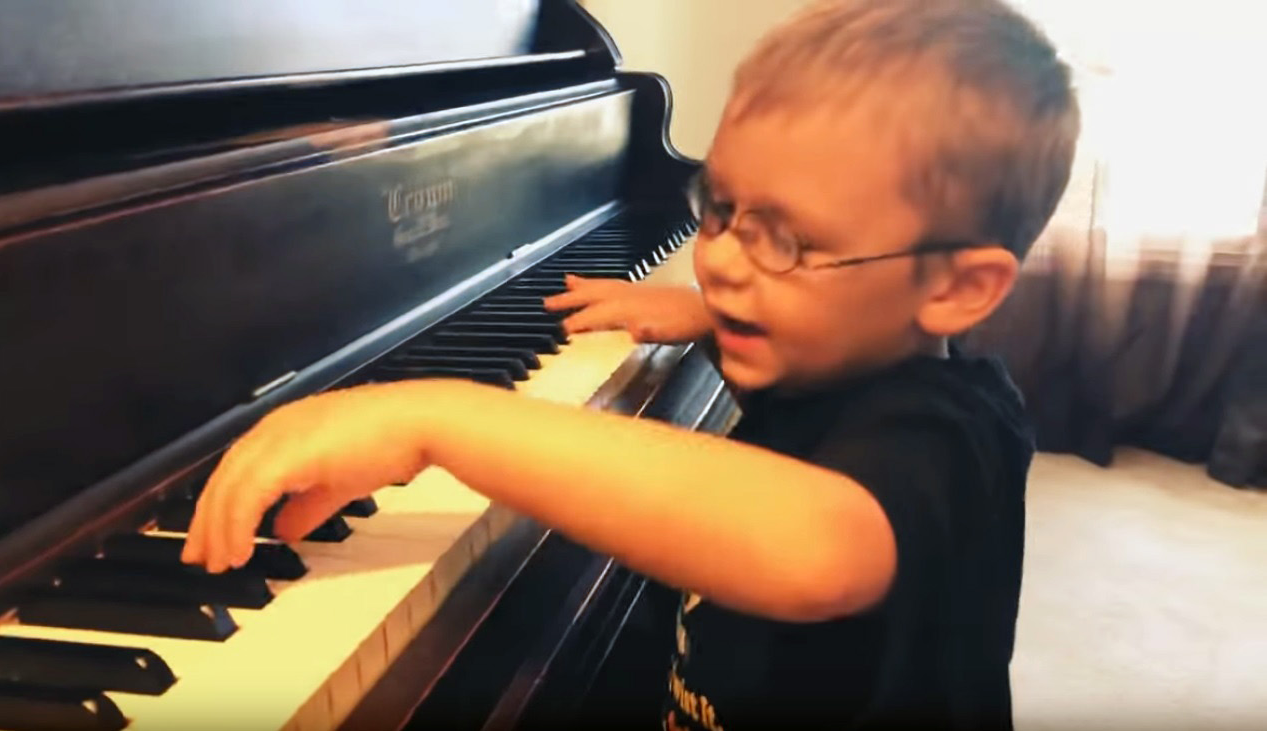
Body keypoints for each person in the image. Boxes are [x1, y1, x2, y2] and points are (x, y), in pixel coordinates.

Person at [181, 0, 1079, 727]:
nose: (722, 257)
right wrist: (708, 317)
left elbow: (817, 549)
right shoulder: (829, 353)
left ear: (959, 290)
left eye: (783, 238)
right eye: (722, 208)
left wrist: (440, 417)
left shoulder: (950, 431)